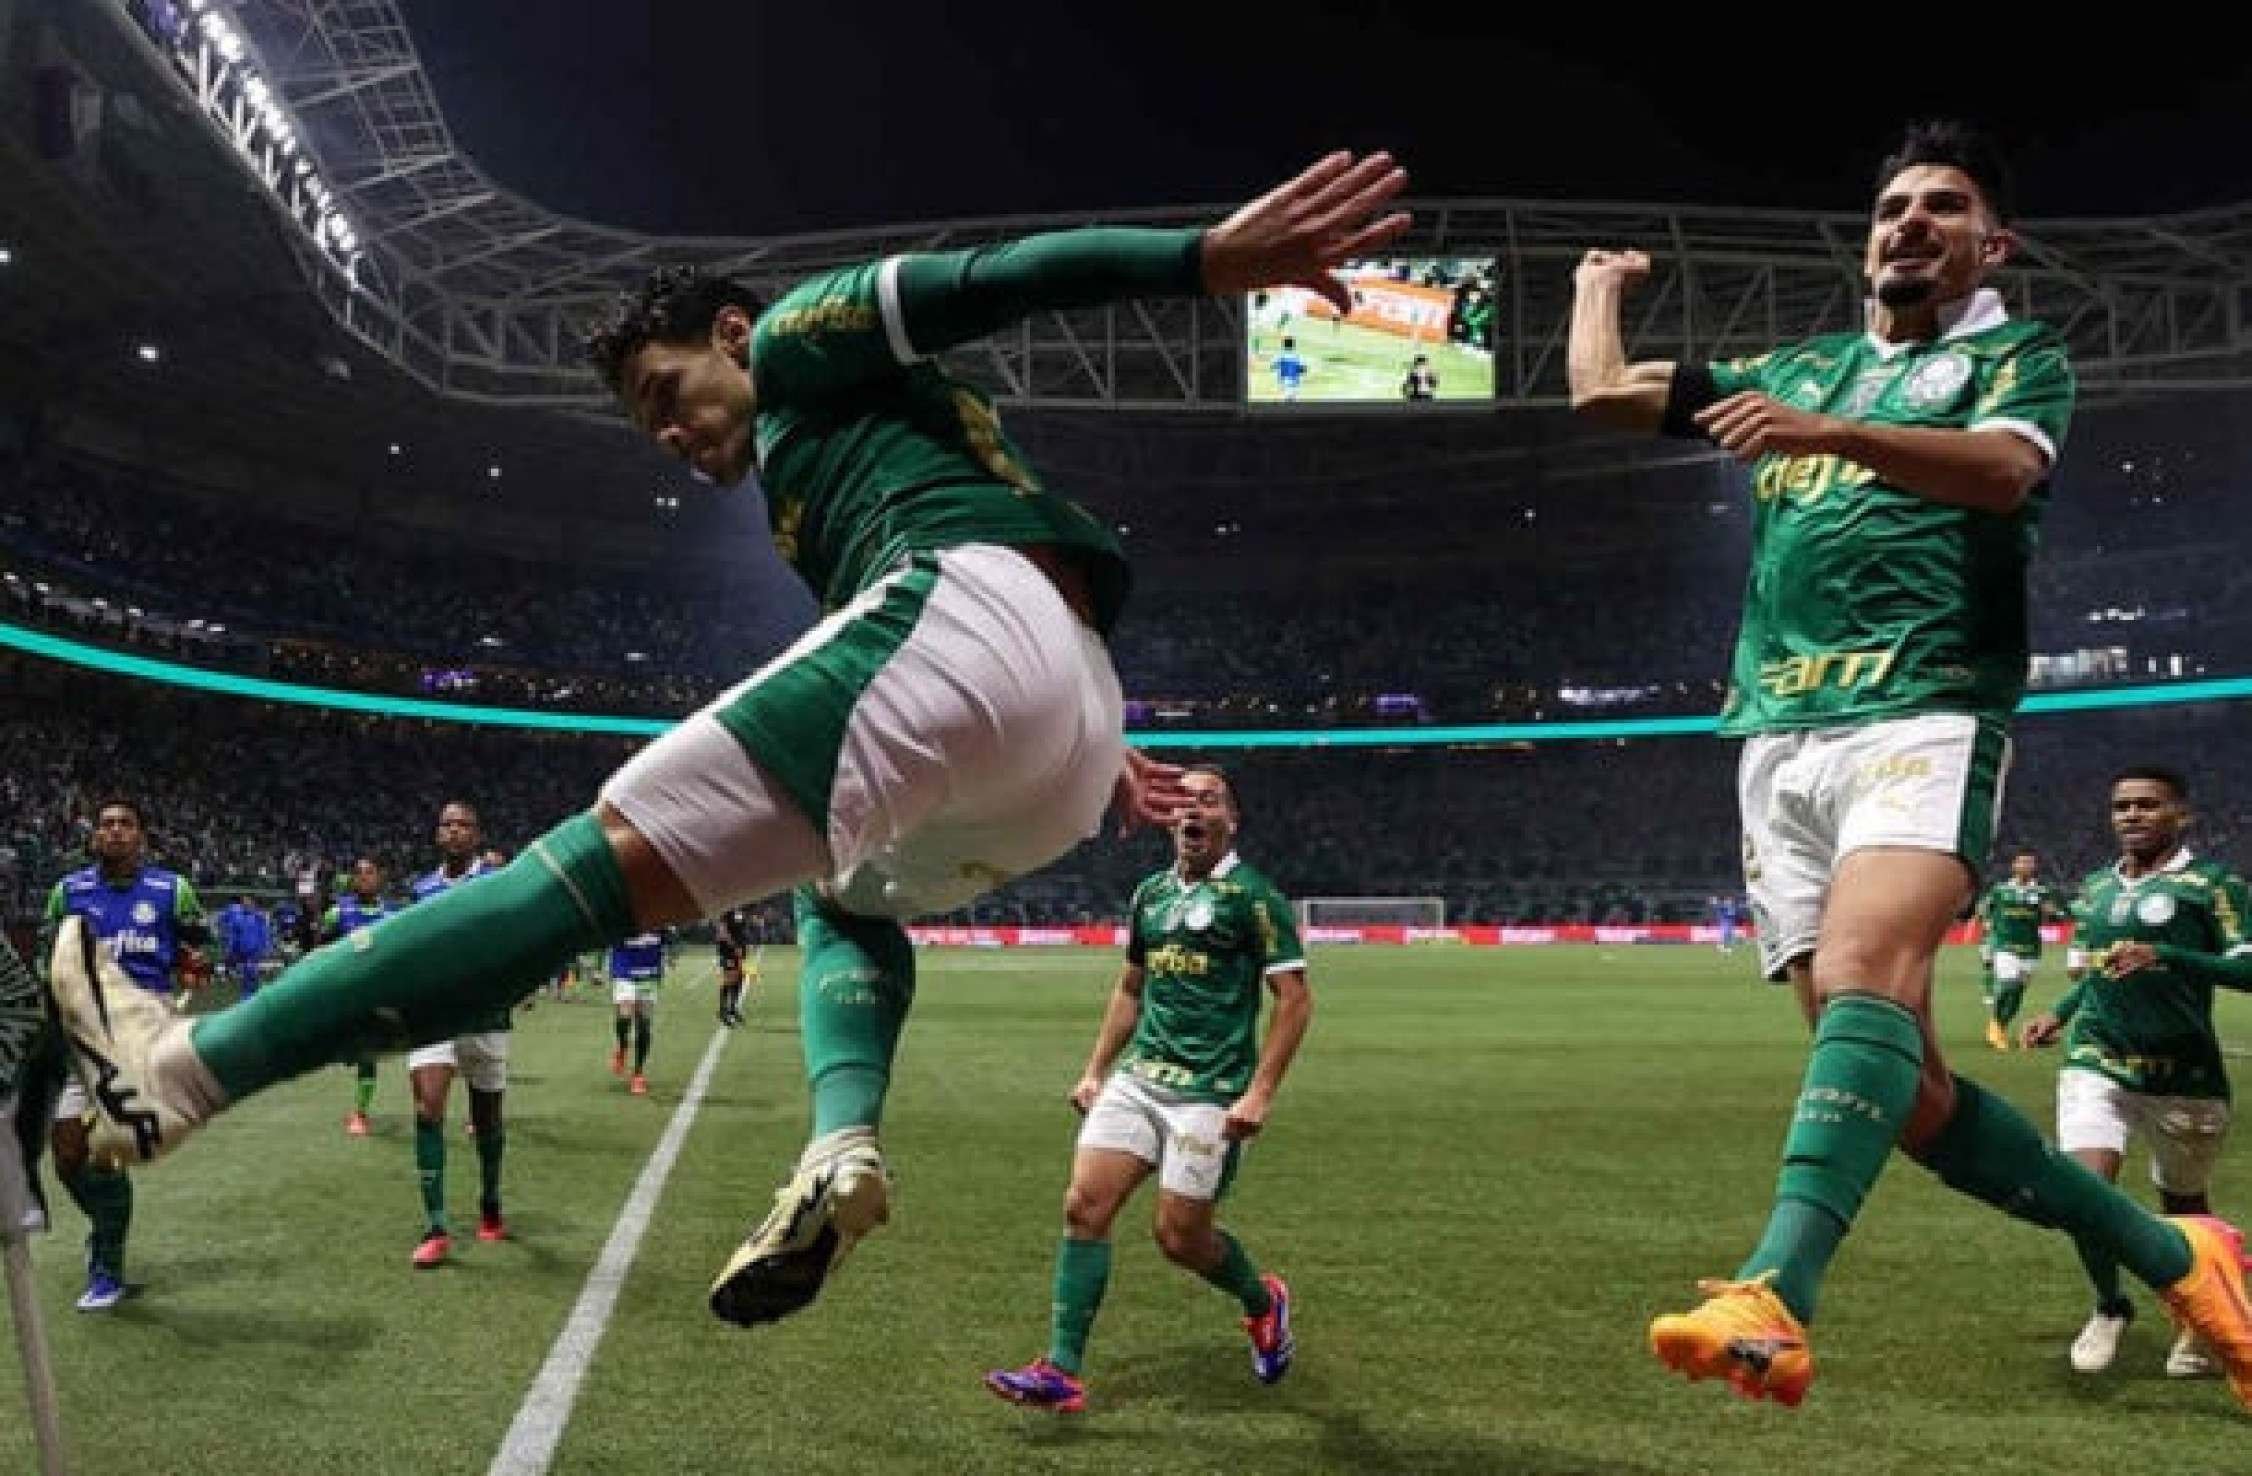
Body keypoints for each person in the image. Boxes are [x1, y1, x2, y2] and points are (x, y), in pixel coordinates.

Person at [48, 151, 1409, 1333]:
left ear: (732, 332)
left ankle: (180, 1071)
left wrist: (1204, 261)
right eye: (647, 420)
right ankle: (840, 1143)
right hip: (1063, 728)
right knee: (841, 892)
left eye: (667, 389)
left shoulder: (802, 335)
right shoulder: (820, 480)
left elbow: (994, 278)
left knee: (574, 876)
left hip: (977, 621)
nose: (669, 431)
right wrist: (1083, 740)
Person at [1566, 119, 2252, 1407]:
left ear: (1992, 244)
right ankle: (2181, 1258)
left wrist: (1826, 434)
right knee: (1909, 1093)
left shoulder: (2014, 356)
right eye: (1892, 208)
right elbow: (1600, 394)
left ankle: (1775, 1291)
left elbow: (2001, 475)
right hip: (1774, 731)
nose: (1909, 223)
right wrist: (1595, 289)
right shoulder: (1800, 365)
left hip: (1922, 704)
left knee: (1860, 977)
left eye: (1942, 206)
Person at [985, 767, 1310, 1412]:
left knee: (1180, 1239)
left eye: (1208, 802)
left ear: (1231, 821)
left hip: (1211, 1092)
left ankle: (1262, 1301)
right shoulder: (1150, 896)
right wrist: (1095, 1069)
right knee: (1084, 1207)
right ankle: (1061, 1369)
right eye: (1183, 802)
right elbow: (1131, 989)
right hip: (1140, 1079)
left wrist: (1259, 1093)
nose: (1192, 812)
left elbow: (1294, 1001)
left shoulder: (1253, 898)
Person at [2022, 767, 2250, 1380]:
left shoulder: (2213, 885)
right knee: (2083, 1189)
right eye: (2122, 806)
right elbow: (2101, 969)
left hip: (2184, 1073)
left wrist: (2167, 955)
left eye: (2148, 805)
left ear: (2182, 815)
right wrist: (2059, 1013)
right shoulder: (2096, 888)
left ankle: (2197, 1320)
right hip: (2098, 1057)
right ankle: (2109, 1304)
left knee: (2184, 1208)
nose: (2131, 815)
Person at [42, 797, 206, 1310]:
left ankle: (107, 1270)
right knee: (66, 1157)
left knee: (107, 1152)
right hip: (80, 1037)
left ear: (141, 836)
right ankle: (106, 1229)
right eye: (106, 824)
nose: (115, 831)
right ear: (95, 835)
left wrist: (194, 963)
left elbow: (201, 945)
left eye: (125, 824)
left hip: (138, 1040)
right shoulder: (68, 892)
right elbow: (49, 958)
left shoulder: (171, 890)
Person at [400, 803, 511, 1270]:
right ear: (437, 834)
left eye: (464, 824)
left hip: (485, 1016)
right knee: (427, 1110)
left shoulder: (497, 882)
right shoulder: (420, 890)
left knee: (487, 1120)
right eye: (447, 824)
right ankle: (436, 1226)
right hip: (433, 1015)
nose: (454, 831)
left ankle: (490, 1200)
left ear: (477, 835)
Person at [319, 858, 394, 1136]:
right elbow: (321, 952)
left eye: (370, 872)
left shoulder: (393, 915)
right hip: (343, 993)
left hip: (376, 994)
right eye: (359, 873)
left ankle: (360, 1114)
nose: (364, 877)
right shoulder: (337, 913)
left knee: (366, 1054)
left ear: (380, 877)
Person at [1976, 849, 2062, 1051]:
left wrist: (2052, 912)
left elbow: (2057, 914)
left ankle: (1999, 1027)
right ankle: (1996, 1026)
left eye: (2030, 863)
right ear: (2014, 865)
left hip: (2031, 949)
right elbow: (1984, 908)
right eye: (2022, 862)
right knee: (2008, 984)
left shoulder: (2041, 892)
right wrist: (1986, 922)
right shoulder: (2000, 889)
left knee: (2017, 993)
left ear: (2035, 866)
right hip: (2004, 946)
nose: (2026, 866)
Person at [608, 929, 667, 1096]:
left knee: (644, 1024)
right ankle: (622, 1046)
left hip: (649, 973)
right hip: (625, 970)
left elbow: (667, 938)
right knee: (624, 1016)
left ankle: (638, 1074)